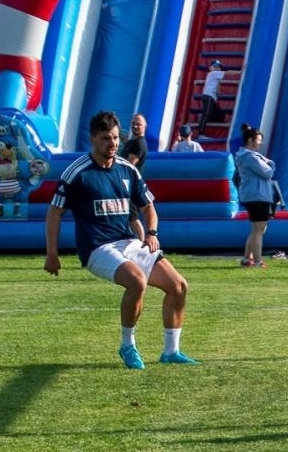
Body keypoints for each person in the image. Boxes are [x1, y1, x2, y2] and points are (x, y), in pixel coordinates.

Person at [46, 111, 196, 368]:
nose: (112, 143)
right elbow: (54, 213)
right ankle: (128, 346)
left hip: (128, 242)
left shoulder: (128, 169)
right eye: (106, 138)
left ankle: (171, 352)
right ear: (93, 139)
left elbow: (149, 207)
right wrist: (52, 254)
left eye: (115, 138)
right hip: (97, 248)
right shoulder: (77, 173)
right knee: (137, 281)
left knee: (178, 286)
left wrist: (151, 233)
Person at [232, 123, 280, 268]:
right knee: (259, 230)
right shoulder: (251, 157)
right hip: (257, 196)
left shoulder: (245, 156)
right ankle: (258, 261)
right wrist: (270, 163)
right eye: (258, 140)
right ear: (251, 140)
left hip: (252, 195)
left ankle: (247, 258)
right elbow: (268, 172)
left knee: (256, 229)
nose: (260, 143)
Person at [196, 61, 226, 134]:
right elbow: (228, 73)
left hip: (210, 97)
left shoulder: (216, 77)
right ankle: (201, 133)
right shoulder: (213, 73)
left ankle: (202, 117)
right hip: (209, 96)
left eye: (219, 67)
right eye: (215, 66)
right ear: (210, 68)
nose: (217, 68)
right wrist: (240, 72)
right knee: (206, 114)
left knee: (220, 115)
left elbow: (218, 91)